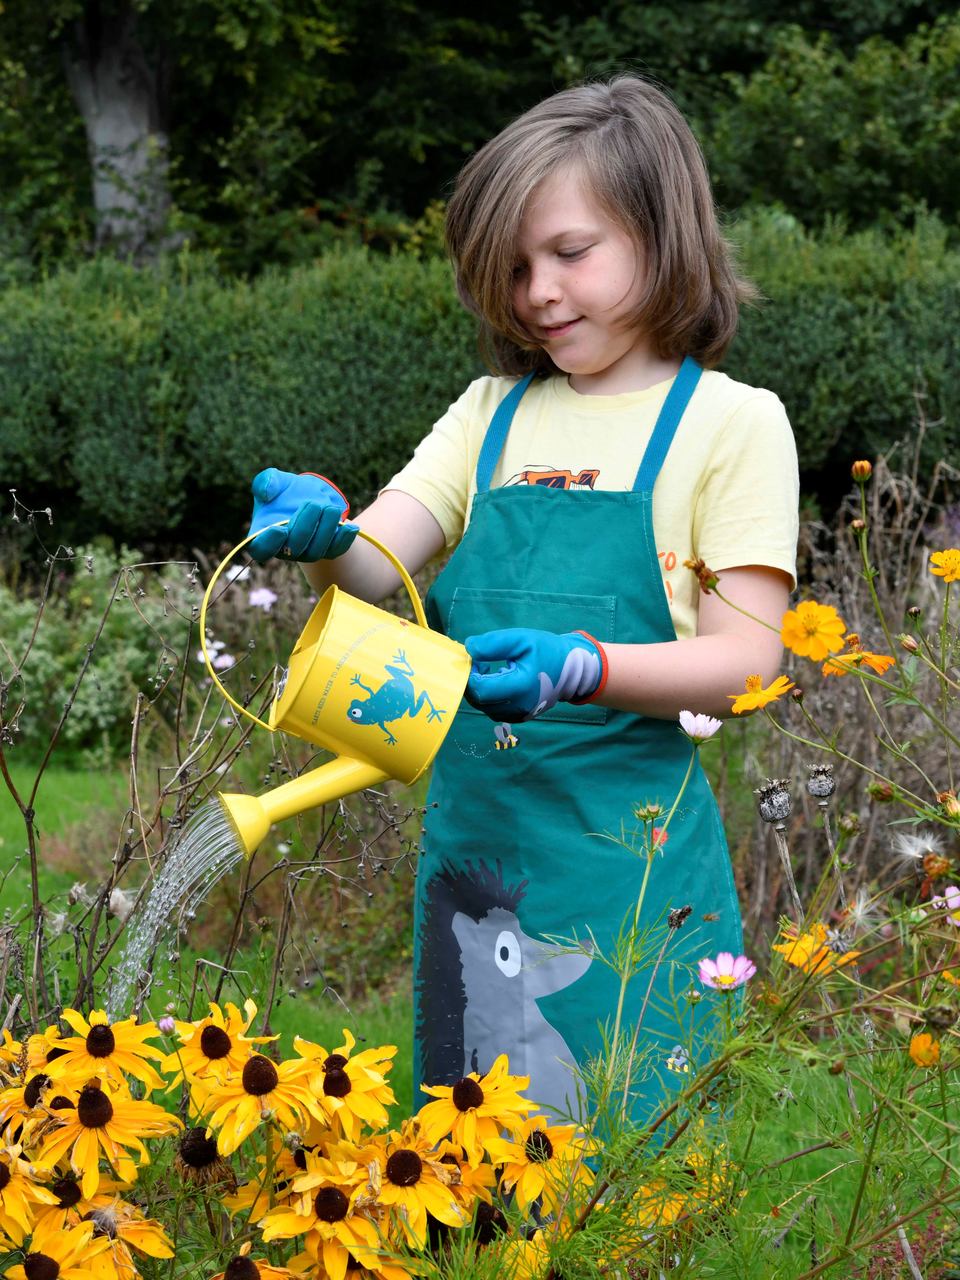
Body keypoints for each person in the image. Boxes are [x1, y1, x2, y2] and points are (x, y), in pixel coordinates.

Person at [246, 75, 798, 1123]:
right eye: (510, 267)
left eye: (569, 252)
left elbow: (748, 664)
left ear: (662, 230)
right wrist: (323, 539)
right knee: (475, 1152)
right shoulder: (491, 413)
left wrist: (585, 664)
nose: (537, 290)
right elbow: (378, 567)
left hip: (631, 869)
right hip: (480, 852)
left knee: (640, 1163)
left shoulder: (732, 425)